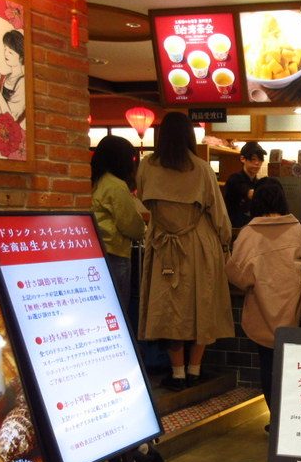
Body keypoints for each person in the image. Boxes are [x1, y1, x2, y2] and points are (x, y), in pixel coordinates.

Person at [136, 112, 234, 391]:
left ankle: (177, 373)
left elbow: (144, 200)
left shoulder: (146, 166)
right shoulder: (201, 168)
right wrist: (225, 242)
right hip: (198, 244)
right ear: (190, 136)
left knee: (169, 308)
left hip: (163, 245)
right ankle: (195, 369)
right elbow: (219, 214)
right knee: (201, 305)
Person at [225, 178, 301, 415]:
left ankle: (276, 419)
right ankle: (292, 420)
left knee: (269, 366)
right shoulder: (299, 229)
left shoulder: (249, 233)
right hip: (296, 312)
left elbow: (238, 276)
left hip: (262, 313)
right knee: (295, 368)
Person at [90, 135, 146, 305]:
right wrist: (144, 230)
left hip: (95, 251)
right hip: (115, 253)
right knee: (119, 304)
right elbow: (131, 225)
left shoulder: (95, 181)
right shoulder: (116, 185)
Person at [222, 141, 266, 228]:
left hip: (253, 229)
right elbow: (249, 193)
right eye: (253, 159)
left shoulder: (258, 183)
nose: (257, 163)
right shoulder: (234, 179)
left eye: (260, 160)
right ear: (242, 158)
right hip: (234, 230)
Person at [0, 29, 26, 124]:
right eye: (5, 49)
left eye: (10, 52)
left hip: (15, 129)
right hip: (4, 125)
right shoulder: (7, 77)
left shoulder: (22, 81)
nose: (6, 54)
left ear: (21, 57)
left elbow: (11, 118)